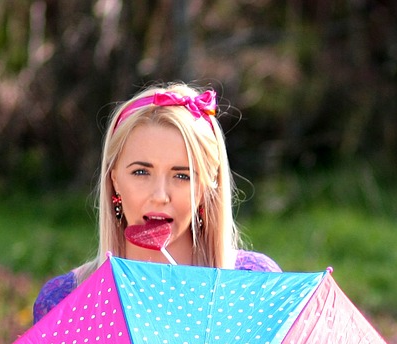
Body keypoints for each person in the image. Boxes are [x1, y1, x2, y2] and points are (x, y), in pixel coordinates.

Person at [33, 83, 279, 323]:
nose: (160, 195)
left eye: (182, 175)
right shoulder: (66, 302)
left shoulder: (254, 285)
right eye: (141, 172)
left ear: (206, 187)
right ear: (114, 180)